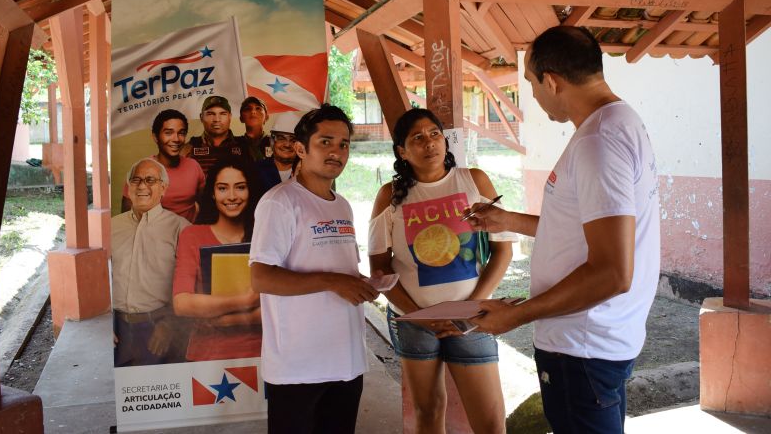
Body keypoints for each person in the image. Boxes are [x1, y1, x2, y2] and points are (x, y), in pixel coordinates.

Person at [467, 26, 660, 434]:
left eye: (531, 83)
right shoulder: (617, 122)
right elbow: (582, 229)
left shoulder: (598, 141)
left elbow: (612, 272)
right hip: (594, 342)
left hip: (582, 348)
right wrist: (508, 221)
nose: (533, 96)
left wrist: (517, 316)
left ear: (551, 80)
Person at [368, 107, 517, 434]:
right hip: (413, 322)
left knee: (491, 422)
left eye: (434, 134)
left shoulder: (473, 180)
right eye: (417, 138)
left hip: (474, 318)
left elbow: (502, 250)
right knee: (428, 412)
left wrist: (471, 309)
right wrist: (418, 314)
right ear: (402, 151)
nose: (429, 143)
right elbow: (379, 270)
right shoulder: (389, 197)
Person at [249, 104, 379, 434]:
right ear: (300, 149)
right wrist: (333, 282)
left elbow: (339, 269)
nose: (336, 151)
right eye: (326, 142)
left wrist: (359, 283)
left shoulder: (343, 204)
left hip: (346, 360)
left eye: (344, 144)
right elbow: (261, 277)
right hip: (298, 368)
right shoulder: (280, 202)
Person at [172, 157, 263, 361]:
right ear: (212, 193)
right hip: (207, 356)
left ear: (251, 191)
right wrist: (246, 300)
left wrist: (225, 320)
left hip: (262, 354)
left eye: (240, 187)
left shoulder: (265, 235)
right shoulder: (192, 235)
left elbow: (280, 308)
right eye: (223, 188)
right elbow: (182, 303)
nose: (232, 196)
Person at [111, 158, 190, 366]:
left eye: (150, 180)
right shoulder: (110, 227)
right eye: (136, 180)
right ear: (128, 187)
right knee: (123, 394)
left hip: (159, 329)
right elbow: (98, 279)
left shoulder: (181, 229)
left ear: (163, 188)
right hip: (115, 330)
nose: (142, 186)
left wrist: (171, 324)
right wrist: (103, 324)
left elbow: (194, 285)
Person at [121, 109, 205, 223]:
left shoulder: (194, 166)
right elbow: (127, 216)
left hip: (188, 236)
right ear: (156, 137)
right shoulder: (141, 170)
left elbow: (206, 205)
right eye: (168, 133)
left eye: (181, 133)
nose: (176, 139)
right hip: (155, 238)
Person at [182, 96, 244, 175]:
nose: (217, 119)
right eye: (210, 114)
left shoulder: (244, 146)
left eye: (223, 114)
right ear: (201, 117)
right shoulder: (188, 149)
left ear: (230, 117)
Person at [256, 111, 301, 191]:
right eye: (281, 138)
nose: (287, 145)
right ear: (271, 141)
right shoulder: (256, 170)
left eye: (293, 140)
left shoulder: (306, 172)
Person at [235, 96, 272, 162]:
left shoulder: (275, 143)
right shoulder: (233, 143)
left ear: (267, 117)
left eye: (258, 108)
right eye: (247, 109)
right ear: (241, 118)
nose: (253, 112)